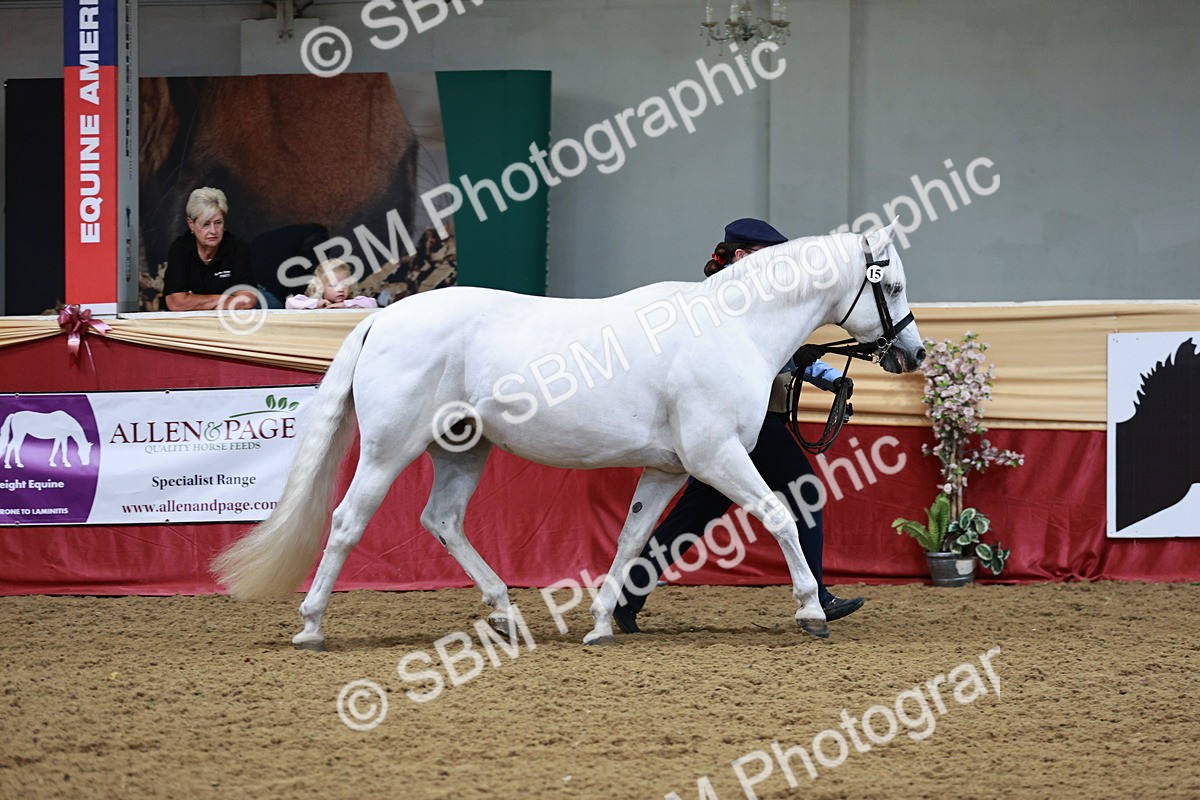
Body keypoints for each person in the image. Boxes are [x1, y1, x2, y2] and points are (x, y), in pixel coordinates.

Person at [613, 217, 865, 634]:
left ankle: (629, 595)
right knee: (804, 491)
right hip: (742, 423)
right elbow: (750, 356)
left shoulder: (751, 298)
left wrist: (824, 374)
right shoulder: (724, 300)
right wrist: (807, 365)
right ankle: (815, 593)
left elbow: (777, 352)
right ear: (744, 256)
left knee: (695, 514)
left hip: (733, 424)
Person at [163, 187, 258, 312]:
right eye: (206, 224)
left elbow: (247, 300)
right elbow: (176, 303)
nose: (213, 231)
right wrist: (227, 299)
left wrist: (192, 300)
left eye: (218, 223)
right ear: (191, 224)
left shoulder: (237, 247)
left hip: (230, 323)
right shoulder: (180, 249)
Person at [284, 259, 379, 309]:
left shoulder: (353, 302)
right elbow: (290, 303)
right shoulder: (313, 302)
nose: (341, 289)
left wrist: (345, 304)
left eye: (345, 285)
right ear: (320, 287)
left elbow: (372, 303)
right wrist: (317, 304)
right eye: (334, 285)